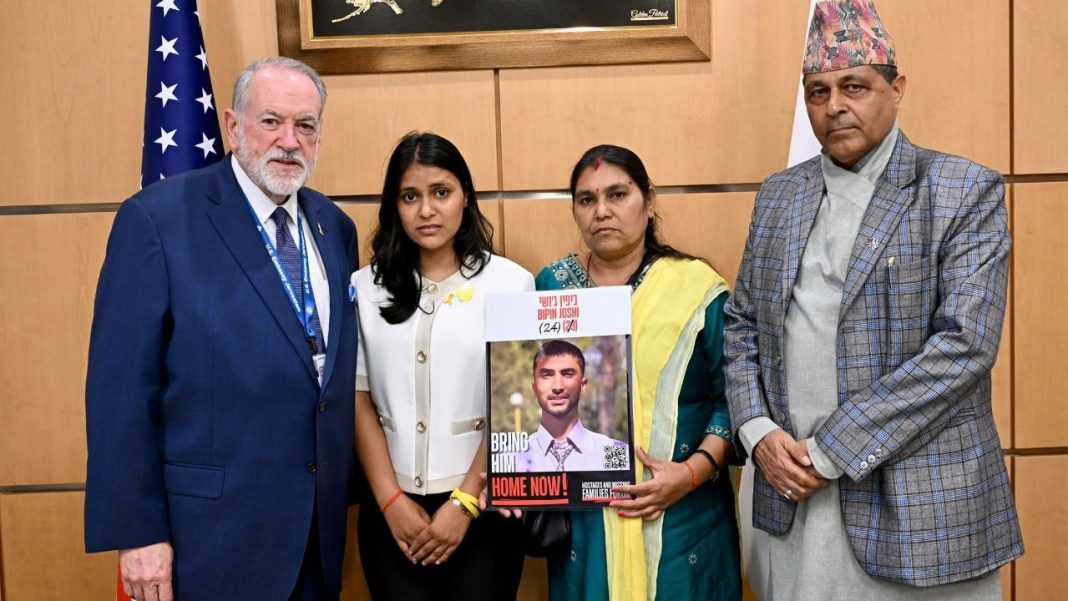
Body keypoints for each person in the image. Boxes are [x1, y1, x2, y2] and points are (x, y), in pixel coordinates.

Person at [724, 1, 1024, 599]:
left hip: (920, 507)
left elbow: (965, 347)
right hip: (793, 495)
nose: (834, 106)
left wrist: (830, 449)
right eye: (817, 92)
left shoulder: (962, 189)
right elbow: (741, 325)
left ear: (897, 88)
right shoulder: (780, 195)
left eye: (854, 86)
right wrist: (757, 431)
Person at [84, 57, 359, 601]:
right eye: (271, 121)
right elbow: (121, 391)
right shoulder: (159, 220)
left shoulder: (334, 228)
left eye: (305, 125)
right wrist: (138, 533)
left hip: (315, 534)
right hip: (208, 541)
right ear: (232, 127)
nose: (289, 140)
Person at [535, 144, 740, 601]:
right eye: (587, 199)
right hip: (584, 522)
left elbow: (734, 400)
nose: (602, 211)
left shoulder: (697, 288)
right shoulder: (551, 285)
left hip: (682, 515)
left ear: (648, 203)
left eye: (617, 195)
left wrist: (689, 474)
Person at [351, 132, 532, 599]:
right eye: (410, 196)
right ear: (394, 205)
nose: (426, 210)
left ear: (465, 196)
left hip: (482, 512)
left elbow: (515, 405)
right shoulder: (364, 288)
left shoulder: (512, 284)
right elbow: (359, 403)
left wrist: (466, 502)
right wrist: (391, 502)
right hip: (390, 514)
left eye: (441, 193)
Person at [517, 339, 630, 473]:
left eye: (567, 374)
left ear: (583, 385)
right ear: (535, 388)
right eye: (547, 375)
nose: (558, 387)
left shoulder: (614, 452)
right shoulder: (512, 459)